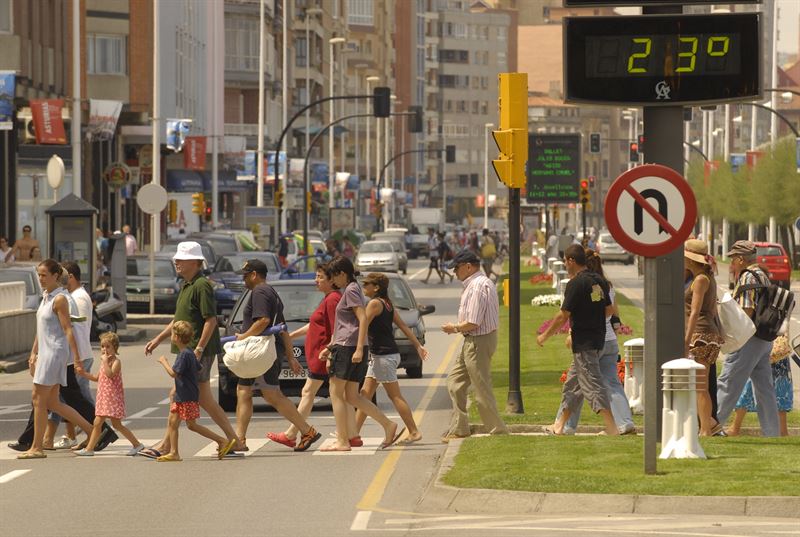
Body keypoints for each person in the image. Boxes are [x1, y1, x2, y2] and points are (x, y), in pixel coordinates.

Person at [142, 242, 240, 458]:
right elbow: (179, 319)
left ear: (195, 262)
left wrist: (199, 348)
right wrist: (158, 338)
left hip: (196, 351)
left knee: (177, 394)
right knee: (203, 399)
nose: (176, 262)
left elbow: (211, 320)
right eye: (177, 258)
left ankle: (167, 446)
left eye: (182, 259)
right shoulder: (187, 285)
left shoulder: (201, 285)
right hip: (190, 349)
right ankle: (234, 440)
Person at [10, 262, 118, 454]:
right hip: (46, 352)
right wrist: (33, 353)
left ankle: (36, 447)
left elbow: (68, 329)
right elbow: (41, 329)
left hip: (55, 353)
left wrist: (76, 358)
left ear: (55, 276)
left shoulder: (60, 299)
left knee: (39, 399)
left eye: (44, 275)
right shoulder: (46, 297)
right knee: (53, 403)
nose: (40, 278)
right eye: (39, 275)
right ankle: (92, 430)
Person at [232, 259, 321, 452]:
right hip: (264, 351)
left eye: (245, 275)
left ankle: (307, 430)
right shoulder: (270, 292)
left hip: (261, 352)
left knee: (271, 395)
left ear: (254, 275)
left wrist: (243, 336)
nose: (244, 279)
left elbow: (263, 321)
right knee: (244, 391)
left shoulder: (259, 292)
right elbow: (282, 328)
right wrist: (290, 356)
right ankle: (240, 439)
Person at [318, 256, 401, 451]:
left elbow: (362, 319)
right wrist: (331, 347)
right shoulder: (351, 289)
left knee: (336, 393)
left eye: (334, 276)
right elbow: (349, 325)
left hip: (348, 348)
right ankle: (387, 425)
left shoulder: (351, 290)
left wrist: (356, 348)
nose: (332, 280)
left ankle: (342, 440)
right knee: (352, 396)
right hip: (350, 346)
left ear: (342, 274)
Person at [538, 244, 619, 436]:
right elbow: (608, 310)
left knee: (592, 385)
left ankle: (613, 429)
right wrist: (593, 320)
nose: (565, 265)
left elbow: (563, 315)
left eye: (566, 261)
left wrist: (545, 335)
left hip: (585, 344)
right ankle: (559, 426)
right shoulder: (597, 281)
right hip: (597, 340)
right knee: (573, 385)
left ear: (571, 261)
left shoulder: (575, 284)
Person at [554, 249, 635, 435]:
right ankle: (624, 422)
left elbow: (570, 313)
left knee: (585, 384)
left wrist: (579, 329)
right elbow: (613, 312)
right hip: (608, 340)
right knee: (608, 383)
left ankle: (569, 426)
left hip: (590, 341)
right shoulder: (605, 285)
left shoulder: (582, 284)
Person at [43, 262, 116, 450]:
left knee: (76, 399)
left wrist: (74, 356)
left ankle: (99, 431)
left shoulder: (78, 298)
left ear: (71, 278)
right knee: (64, 398)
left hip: (77, 354)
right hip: (69, 354)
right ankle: (60, 437)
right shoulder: (66, 297)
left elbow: (74, 327)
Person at [267, 263, 342, 447]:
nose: (316, 280)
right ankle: (296, 433)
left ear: (332, 280)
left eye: (320, 277)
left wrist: (329, 351)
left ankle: (293, 433)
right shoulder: (327, 299)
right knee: (314, 392)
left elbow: (336, 329)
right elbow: (314, 325)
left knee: (310, 392)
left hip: (322, 354)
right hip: (318, 354)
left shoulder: (332, 300)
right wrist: (291, 336)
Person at [440, 250, 509, 442]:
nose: (455, 273)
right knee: (454, 382)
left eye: (457, 268)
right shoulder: (477, 284)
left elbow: (473, 321)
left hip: (478, 340)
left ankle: (497, 430)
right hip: (473, 340)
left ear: (468, 266)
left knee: (481, 388)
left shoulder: (477, 287)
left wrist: (453, 328)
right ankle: (460, 427)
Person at [715, 240, 780, 437]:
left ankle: (713, 425)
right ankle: (772, 432)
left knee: (728, 382)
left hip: (748, 339)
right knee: (765, 388)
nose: (732, 263)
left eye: (733, 259)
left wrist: (732, 335)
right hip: (763, 339)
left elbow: (746, 311)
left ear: (742, 259)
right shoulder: (762, 275)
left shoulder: (747, 278)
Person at [354, 273, 428, 443]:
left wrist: (357, 347)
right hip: (383, 356)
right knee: (364, 396)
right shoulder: (387, 304)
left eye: (367, 284)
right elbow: (403, 326)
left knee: (395, 396)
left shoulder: (374, 304)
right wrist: (418, 346)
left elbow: (362, 324)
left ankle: (414, 431)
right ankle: (353, 433)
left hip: (384, 356)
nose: (364, 287)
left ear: (377, 287)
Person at [155, 321, 237, 462]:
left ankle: (221, 441)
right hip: (186, 394)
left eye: (173, 334)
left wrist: (164, 362)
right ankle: (174, 452)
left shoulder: (184, 355)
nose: (171, 336)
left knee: (191, 425)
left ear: (178, 338)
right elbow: (198, 368)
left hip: (185, 396)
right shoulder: (190, 353)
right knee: (173, 423)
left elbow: (174, 373)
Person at [75, 333, 144, 456]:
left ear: (115, 348)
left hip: (112, 398)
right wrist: (83, 373)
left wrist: (106, 362)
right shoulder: (105, 362)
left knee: (110, 424)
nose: (104, 350)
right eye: (102, 346)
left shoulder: (116, 362)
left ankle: (136, 444)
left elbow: (110, 374)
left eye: (108, 347)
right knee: (103, 423)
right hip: (103, 397)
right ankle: (90, 449)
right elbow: (97, 378)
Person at [683, 239, 725, 436]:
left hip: (701, 334)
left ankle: (706, 429)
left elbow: (695, 311)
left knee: (700, 385)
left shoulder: (700, 280)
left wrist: (687, 339)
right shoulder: (707, 277)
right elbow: (714, 310)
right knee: (702, 385)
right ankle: (709, 423)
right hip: (709, 333)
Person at [729, 352, 793, 437]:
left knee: (780, 389)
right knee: (749, 386)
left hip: (773, 350)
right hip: (766, 349)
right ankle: (735, 428)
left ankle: (782, 430)